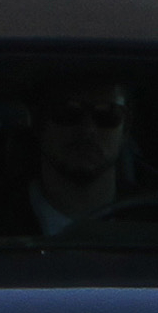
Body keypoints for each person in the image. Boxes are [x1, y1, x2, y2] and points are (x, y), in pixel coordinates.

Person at [29, 79, 131, 234]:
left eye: (107, 114)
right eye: (69, 112)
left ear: (126, 130)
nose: (88, 130)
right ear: (39, 123)